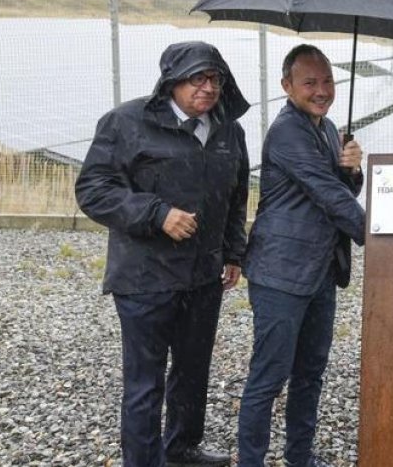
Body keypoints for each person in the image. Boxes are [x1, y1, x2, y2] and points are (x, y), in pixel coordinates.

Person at [76, 41, 250, 467]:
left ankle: (182, 447)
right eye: (197, 78)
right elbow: (93, 190)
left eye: (215, 79)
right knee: (145, 382)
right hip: (144, 279)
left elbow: (236, 196)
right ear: (172, 81)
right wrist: (157, 214)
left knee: (193, 370)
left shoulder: (229, 130)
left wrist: (233, 253)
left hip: (203, 277)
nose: (208, 88)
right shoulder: (126, 122)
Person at [237, 44, 366, 467]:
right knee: (269, 377)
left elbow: (340, 189)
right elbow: (326, 194)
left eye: (328, 80)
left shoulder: (326, 129)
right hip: (281, 273)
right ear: (287, 86)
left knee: (310, 373)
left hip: (320, 271)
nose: (322, 90)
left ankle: (300, 458)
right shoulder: (287, 132)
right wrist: (380, 236)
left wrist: (353, 170)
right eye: (310, 82)